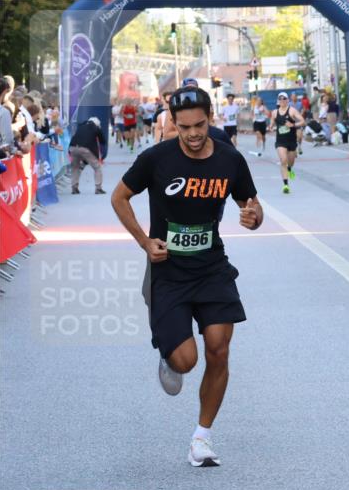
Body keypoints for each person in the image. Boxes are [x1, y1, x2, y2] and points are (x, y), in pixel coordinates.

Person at [109, 86, 263, 467]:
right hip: (169, 272)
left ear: (210, 118)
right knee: (186, 361)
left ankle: (202, 438)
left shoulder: (229, 159)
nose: (193, 134)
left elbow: (252, 207)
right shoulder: (156, 159)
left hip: (212, 266)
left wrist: (253, 217)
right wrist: (145, 242)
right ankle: (169, 354)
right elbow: (119, 197)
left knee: (219, 347)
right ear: (172, 124)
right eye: (184, 128)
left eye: (200, 125)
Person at [271, 91, 305, 193]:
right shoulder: (274, 112)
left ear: (287, 100)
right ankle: (286, 185)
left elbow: (303, 121)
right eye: (280, 99)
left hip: (291, 141)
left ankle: (290, 169)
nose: (282, 101)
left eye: (284, 99)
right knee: (283, 161)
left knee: (291, 162)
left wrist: (293, 125)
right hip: (280, 141)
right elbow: (272, 124)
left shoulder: (292, 110)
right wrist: (270, 127)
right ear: (278, 101)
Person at [68, 116, 106, 195]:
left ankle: (74, 188)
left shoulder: (81, 126)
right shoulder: (95, 127)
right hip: (85, 148)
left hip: (73, 147)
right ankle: (98, 188)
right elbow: (103, 141)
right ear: (97, 124)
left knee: (75, 168)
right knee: (97, 167)